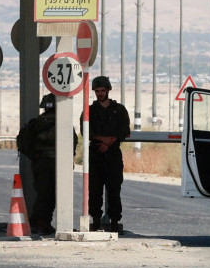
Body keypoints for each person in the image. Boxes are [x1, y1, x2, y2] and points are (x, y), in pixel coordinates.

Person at [16, 93, 77, 235]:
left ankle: (41, 222)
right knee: (56, 195)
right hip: (58, 163)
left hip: (41, 163)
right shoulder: (64, 123)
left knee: (44, 193)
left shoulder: (36, 123)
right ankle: (41, 222)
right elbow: (72, 143)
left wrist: (34, 156)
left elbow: (24, 142)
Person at [87, 76, 130, 233]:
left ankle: (114, 222)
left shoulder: (119, 110)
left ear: (108, 90)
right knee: (95, 189)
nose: (100, 94)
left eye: (102, 91)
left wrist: (108, 142)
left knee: (114, 189)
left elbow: (124, 130)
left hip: (112, 154)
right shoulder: (90, 111)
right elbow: (86, 131)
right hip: (96, 154)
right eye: (97, 91)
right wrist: (103, 140)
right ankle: (96, 221)